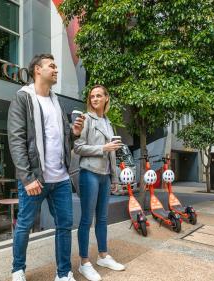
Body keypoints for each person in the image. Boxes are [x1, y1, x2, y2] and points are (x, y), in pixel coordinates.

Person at [8, 54, 85, 281]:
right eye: (51, 66)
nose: (56, 69)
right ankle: (18, 269)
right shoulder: (23, 98)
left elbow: (61, 138)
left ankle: (63, 273)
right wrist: (26, 176)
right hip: (35, 179)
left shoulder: (56, 101)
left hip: (60, 178)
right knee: (24, 225)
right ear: (37, 70)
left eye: (56, 66)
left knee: (64, 226)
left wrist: (74, 133)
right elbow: (16, 139)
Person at [74, 85, 125, 281]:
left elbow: (112, 152)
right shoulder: (86, 119)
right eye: (92, 96)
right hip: (89, 173)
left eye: (98, 95)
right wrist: (102, 147)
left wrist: (113, 177)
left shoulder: (108, 122)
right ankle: (84, 262)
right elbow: (78, 147)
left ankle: (103, 256)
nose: (95, 99)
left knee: (102, 218)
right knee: (87, 219)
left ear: (106, 98)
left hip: (104, 176)